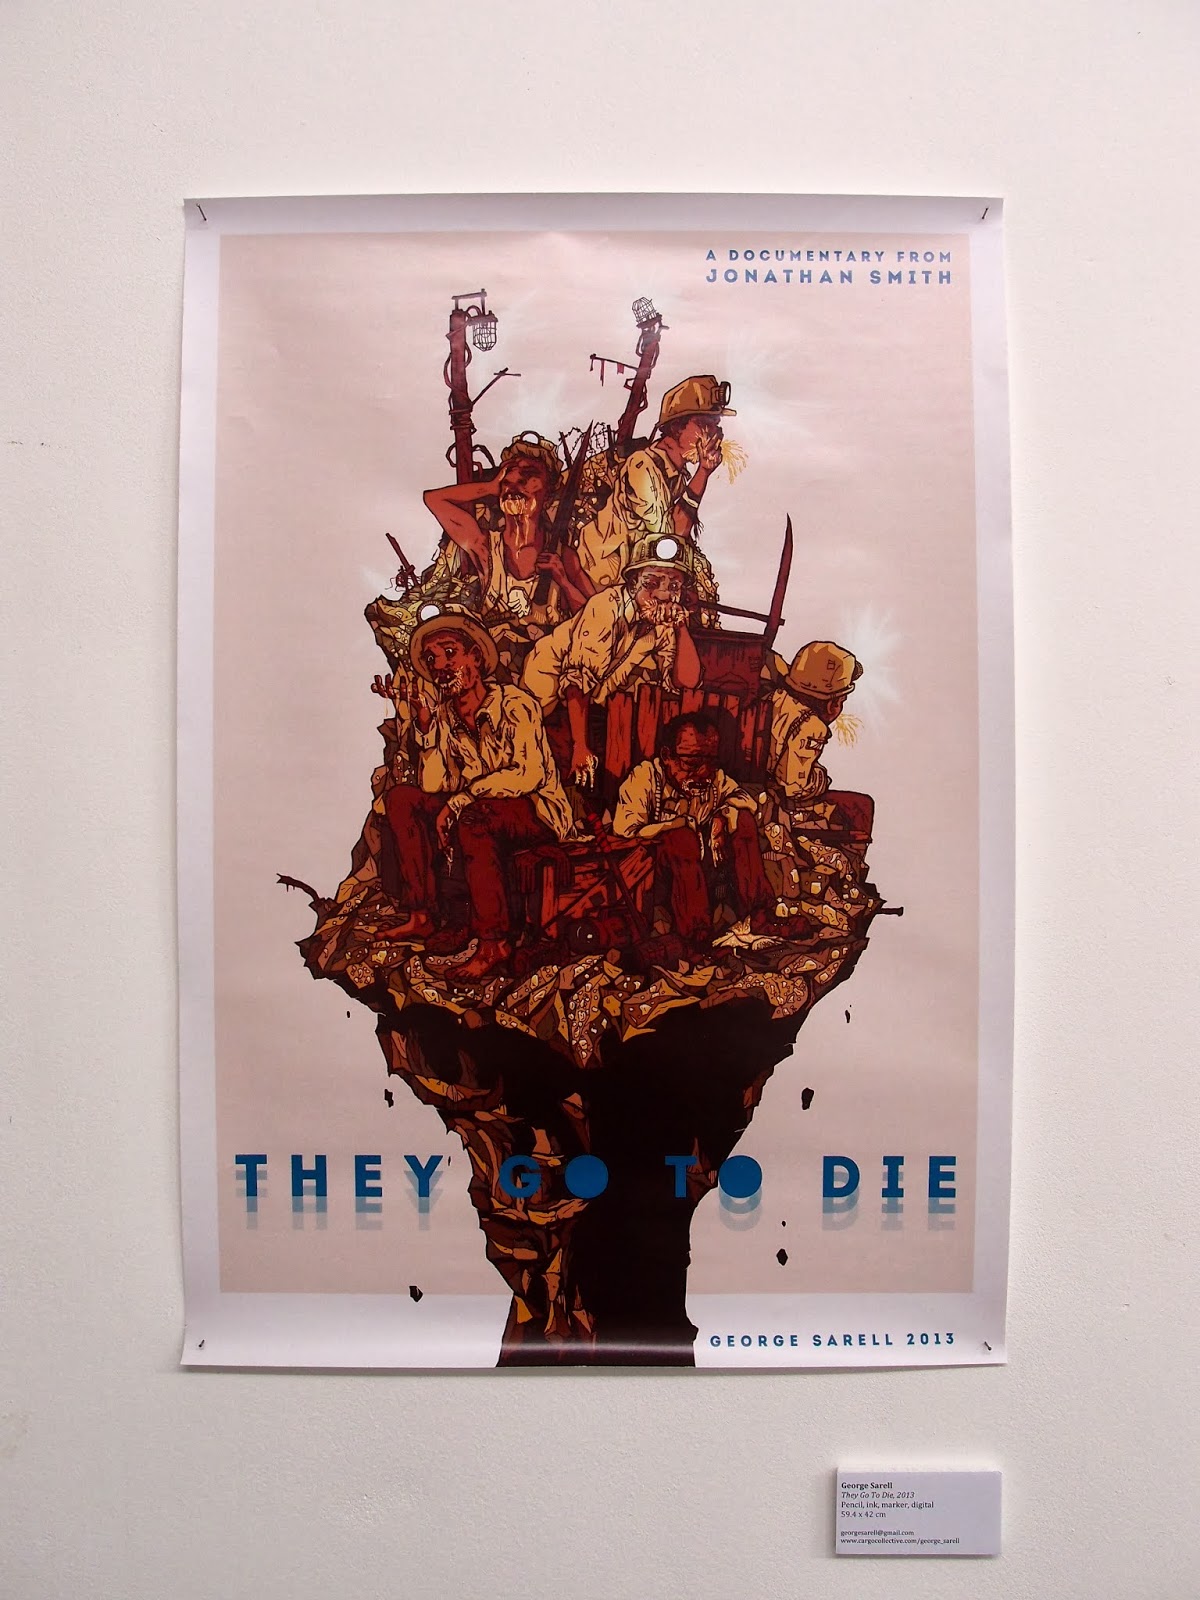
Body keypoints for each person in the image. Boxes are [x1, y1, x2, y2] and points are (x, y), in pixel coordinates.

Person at [377, 609, 574, 980]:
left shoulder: (515, 704)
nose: (440, 666)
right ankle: (422, 913)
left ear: (477, 658)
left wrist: (462, 800)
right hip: (477, 808)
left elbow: (528, 774)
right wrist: (425, 726)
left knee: (474, 818)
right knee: (402, 798)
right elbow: (436, 784)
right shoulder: (446, 717)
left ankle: (494, 941)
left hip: (536, 811)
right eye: (432, 659)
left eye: (450, 653)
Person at [521, 533, 703, 786]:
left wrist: (681, 627)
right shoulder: (605, 607)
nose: (663, 594)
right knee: (553, 774)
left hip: (585, 707)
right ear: (633, 582)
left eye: (674, 587)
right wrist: (580, 746)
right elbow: (576, 682)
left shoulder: (661, 622)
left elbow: (687, 682)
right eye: (651, 583)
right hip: (542, 703)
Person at [612, 713, 775, 948]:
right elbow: (625, 831)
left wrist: (723, 815)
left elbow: (745, 800)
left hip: (707, 871)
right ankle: (695, 934)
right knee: (680, 838)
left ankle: (759, 915)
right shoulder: (645, 777)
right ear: (667, 756)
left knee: (743, 821)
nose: (703, 772)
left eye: (711, 761)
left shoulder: (714, 778)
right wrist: (678, 825)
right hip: (657, 877)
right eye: (692, 763)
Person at [575, 375, 733, 613]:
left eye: (716, 425)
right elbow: (666, 539)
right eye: (705, 424)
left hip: (636, 577)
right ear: (677, 427)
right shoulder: (643, 466)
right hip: (605, 576)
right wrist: (703, 472)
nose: (715, 434)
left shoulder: (675, 474)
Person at [421, 433, 593, 633]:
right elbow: (433, 499)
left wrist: (563, 581)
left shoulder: (564, 557)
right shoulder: (485, 547)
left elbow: (601, 618)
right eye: (507, 474)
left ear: (549, 491)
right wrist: (488, 487)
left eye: (528, 474)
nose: (514, 480)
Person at [769, 641, 862, 804]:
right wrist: (820, 779)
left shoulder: (776, 698)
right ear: (832, 704)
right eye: (842, 700)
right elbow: (793, 786)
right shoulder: (813, 727)